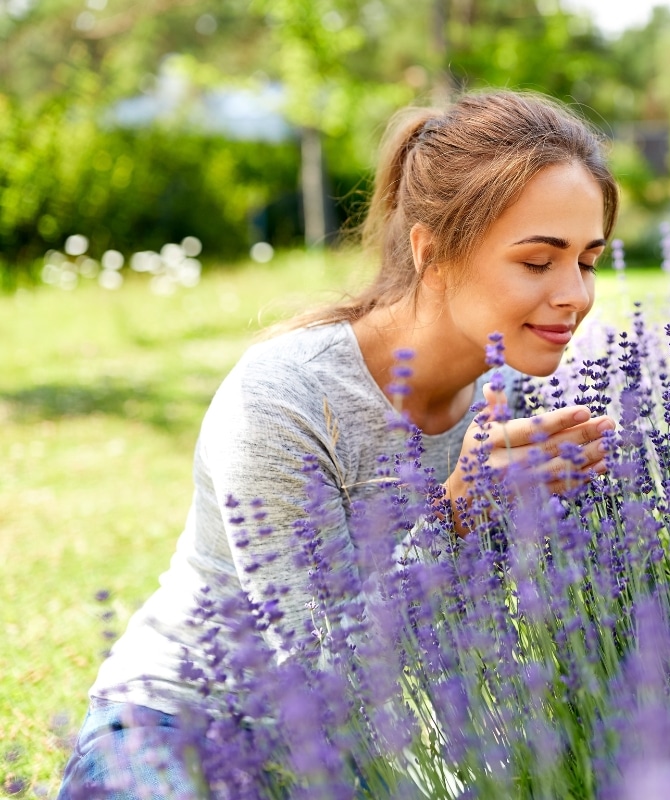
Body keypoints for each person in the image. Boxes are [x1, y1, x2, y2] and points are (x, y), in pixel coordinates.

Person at [57, 89, 619, 798]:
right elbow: (317, 679)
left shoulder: (516, 413)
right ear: (432, 250)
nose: (575, 294)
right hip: (184, 724)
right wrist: (456, 514)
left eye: (588, 262)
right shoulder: (286, 399)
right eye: (539, 262)